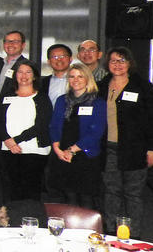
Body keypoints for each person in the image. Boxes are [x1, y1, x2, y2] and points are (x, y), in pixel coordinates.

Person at [97, 47, 153, 233]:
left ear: (130, 63)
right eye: (113, 61)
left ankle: (133, 236)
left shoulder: (142, 86)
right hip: (108, 149)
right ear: (107, 64)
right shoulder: (102, 85)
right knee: (111, 193)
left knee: (133, 195)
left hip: (135, 150)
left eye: (122, 60)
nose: (118, 64)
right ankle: (111, 232)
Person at [47, 64, 106, 210]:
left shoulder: (98, 102)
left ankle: (88, 232)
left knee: (86, 197)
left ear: (88, 79)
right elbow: (54, 126)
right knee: (68, 196)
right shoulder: (62, 100)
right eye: (72, 76)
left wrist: (72, 150)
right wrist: (57, 148)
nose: (76, 80)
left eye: (80, 76)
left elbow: (96, 132)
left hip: (85, 155)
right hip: (62, 154)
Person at [0, 60, 51, 203]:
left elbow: (41, 125)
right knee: (11, 189)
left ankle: (30, 221)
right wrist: (8, 141)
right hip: (8, 149)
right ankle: (13, 221)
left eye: (28, 72)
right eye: (20, 72)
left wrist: (15, 141)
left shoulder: (42, 98)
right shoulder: (7, 95)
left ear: (35, 76)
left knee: (30, 191)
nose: (23, 75)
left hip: (34, 150)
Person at [0, 31, 32, 99]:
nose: (11, 44)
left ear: (23, 45)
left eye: (15, 41)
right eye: (7, 41)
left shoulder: (28, 66)